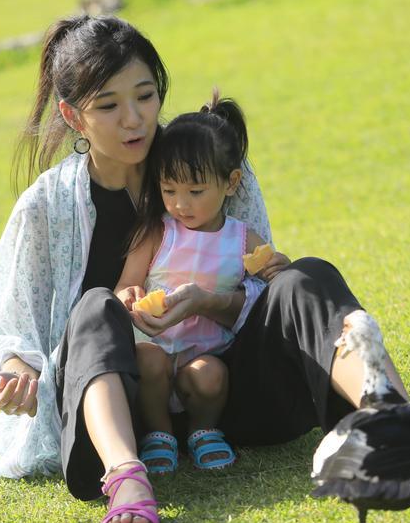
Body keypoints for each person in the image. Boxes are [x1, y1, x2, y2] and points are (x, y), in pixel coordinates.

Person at [0, 14, 410, 523]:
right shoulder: (47, 205)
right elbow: (12, 322)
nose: (134, 119)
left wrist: (208, 302)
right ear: (73, 116)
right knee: (96, 305)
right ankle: (126, 479)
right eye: (108, 105)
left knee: (308, 276)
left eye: (145, 96)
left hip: (224, 392)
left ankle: (399, 427)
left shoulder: (210, 158)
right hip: (120, 415)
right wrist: (16, 370)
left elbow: (259, 291)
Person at [113, 91, 288, 476]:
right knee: (149, 361)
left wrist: (278, 266)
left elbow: (277, 278)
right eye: (169, 189)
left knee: (210, 375)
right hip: (155, 342)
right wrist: (133, 297)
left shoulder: (242, 239)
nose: (180, 204)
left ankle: (202, 429)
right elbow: (124, 285)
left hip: (205, 352)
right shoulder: (157, 232)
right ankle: (158, 433)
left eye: (195, 192)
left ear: (230, 183)